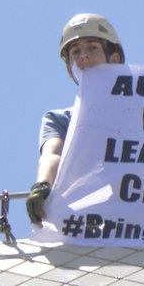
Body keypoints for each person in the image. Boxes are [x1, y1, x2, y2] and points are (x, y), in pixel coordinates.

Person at [26, 13, 126, 225]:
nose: (83, 57)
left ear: (115, 59)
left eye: (93, 47)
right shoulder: (60, 120)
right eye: (75, 52)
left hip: (142, 221)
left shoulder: (143, 113)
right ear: (69, 68)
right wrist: (43, 185)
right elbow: (53, 154)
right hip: (86, 224)